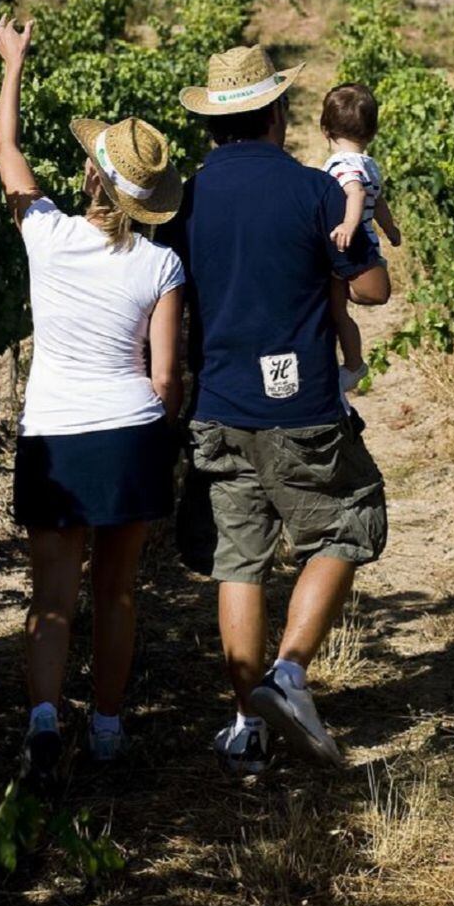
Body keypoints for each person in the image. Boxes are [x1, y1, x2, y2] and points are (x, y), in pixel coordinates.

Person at [160, 43, 390, 774]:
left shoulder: (184, 200)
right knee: (350, 516)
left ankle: (245, 725)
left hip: (220, 404)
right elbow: (375, 288)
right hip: (303, 404)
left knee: (240, 558)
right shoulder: (311, 190)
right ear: (278, 115)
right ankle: (288, 672)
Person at [0, 14, 185, 790]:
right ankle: (106, 727)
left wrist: (14, 64)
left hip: (55, 436)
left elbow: (7, 152)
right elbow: (166, 379)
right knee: (118, 590)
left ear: (89, 178)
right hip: (128, 435)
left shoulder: (46, 233)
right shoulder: (162, 263)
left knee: (51, 595)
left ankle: (44, 718)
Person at [320, 82, 402, 392]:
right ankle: (353, 363)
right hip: (366, 240)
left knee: (337, 311)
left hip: (351, 244)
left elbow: (353, 193)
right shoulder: (370, 165)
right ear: (372, 132)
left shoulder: (343, 165)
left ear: (325, 129)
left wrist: (347, 226)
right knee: (338, 311)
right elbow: (378, 202)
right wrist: (391, 231)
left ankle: (353, 364)